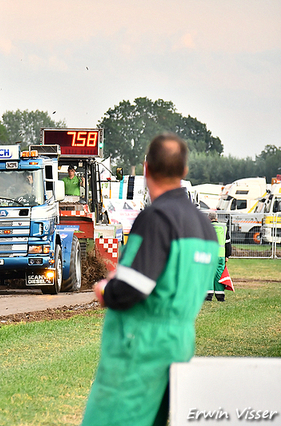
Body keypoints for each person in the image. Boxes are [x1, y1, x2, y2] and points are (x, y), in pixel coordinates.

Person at [81, 133, 219, 426]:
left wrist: (107, 290)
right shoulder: (204, 226)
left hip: (140, 343)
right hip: (180, 341)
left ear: (146, 169)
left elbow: (134, 287)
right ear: (184, 171)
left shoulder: (156, 217)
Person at [207, 211, 231, 302]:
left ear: (209, 219)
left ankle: (208, 295)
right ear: (216, 218)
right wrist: (227, 255)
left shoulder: (206, 227)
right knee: (219, 274)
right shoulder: (224, 227)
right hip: (221, 255)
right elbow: (227, 243)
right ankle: (220, 295)